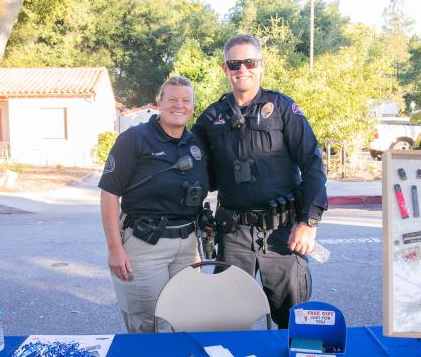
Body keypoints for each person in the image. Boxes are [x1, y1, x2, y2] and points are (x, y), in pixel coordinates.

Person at [192, 35, 328, 328]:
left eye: (250, 62)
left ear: (261, 65)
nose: (243, 69)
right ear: (224, 69)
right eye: (234, 63)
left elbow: (312, 164)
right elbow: (191, 165)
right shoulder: (212, 116)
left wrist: (309, 222)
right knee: (228, 320)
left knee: (292, 321)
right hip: (232, 233)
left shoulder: (282, 109)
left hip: (282, 232)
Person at [99, 75, 209, 333]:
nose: (178, 105)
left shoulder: (197, 144)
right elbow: (109, 195)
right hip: (145, 246)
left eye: (186, 100)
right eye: (172, 99)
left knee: (185, 319)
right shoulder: (134, 139)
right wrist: (115, 248)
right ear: (159, 102)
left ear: (193, 107)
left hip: (188, 246)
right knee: (148, 325)